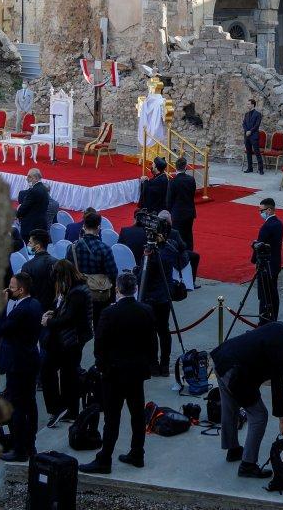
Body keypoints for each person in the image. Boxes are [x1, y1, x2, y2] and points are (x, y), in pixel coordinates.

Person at [210, 322, 283, 477]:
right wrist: (282, 419)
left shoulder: (280, 327)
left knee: (230, 406)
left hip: (222, 357)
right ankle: (248, 465)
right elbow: (277, 388)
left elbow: (256, 350)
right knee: (259, 416)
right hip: (235, 372)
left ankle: (233, 449)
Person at [78, 272, 156, 474]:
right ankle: (137, 453)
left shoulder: (109, 313)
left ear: (117, 290)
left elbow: (100, 344)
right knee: (137, 415)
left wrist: (102, 367)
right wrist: (148, 365)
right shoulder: (146, 310)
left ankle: (105, 458)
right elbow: (151, 342)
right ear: (135, 288)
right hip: (136, 372)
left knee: (112, 418)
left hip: (114, 373)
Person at [0, 273, 42, 462]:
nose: (8, 290)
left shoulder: (21, 310)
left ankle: (19, 448)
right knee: (30, 403)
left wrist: (1, 305)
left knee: (18, 407)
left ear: (21, 290)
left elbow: (1, 328)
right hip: (30, 359)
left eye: (12, 287)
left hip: (19, 363)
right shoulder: (35, 304)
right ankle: (30, 444)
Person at [41, 260, 93, 426]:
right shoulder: (79, 289)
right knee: (68, 374)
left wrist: (49, 322)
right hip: (72, 339)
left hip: (69, 339)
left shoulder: (76, 293)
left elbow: (69, 318)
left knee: (53, 371)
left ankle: (58, 408)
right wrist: (54, 313)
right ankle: (69, 410)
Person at [137, 215, 189, 377]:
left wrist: (146, 257)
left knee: (152, 331)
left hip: (151, 296)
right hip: (164, 295)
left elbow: (143, 275)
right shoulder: (170, 248)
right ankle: (164, 365)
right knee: (163, 330)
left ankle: (154, 364)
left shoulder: (152, 253)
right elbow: (181, 257)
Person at [66, 210, 118, 329]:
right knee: (100, 325)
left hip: (78, 291)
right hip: (99, 293)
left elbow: (68, 270)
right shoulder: (104, 248)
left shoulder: (72, 247)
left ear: (84, 226)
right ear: (98, 227)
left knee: (80, 325)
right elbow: (113, 273)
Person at [167, 157, 198, 281]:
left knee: (177, 238)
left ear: (176, 167)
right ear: (186, 167)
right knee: (188, 236)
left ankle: (179, 261)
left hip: (177, 214)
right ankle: (189, 259)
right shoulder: (191, 180)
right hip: (189, 213)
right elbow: (192, 194)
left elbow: (169, 200)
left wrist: (169, 212)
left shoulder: (173, 182)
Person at [252, 197, 283, 325]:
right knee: (273, 293)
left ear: (269, 210)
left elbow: (260, 246)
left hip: (266, 265)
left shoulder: (267, 226)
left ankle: (264, 322)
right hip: (275, 263)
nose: (260, 213)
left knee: (264, 295)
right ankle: (273, 318)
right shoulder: (279, 223)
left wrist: (254, 260)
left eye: (261, 210)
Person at [20, 229, 59, 312]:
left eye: (30, 242)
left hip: (34, 309)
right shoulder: (57, 263)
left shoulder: (27, 266)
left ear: (37, 247)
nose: (27, 244)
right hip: (53, 309)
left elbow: (24, 293)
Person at [15, 168, 50, 242]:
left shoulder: (33, 191)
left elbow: (24, 206)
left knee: (28, 246)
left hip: (30, 226)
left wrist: (16, 215)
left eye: (29, 177)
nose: (27, 179)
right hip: (40, 224)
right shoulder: (44, 189)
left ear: (36, 178)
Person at [242, 98, 263, 174]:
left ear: (253, 105)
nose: (247, 105)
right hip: (247, 136)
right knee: (248, 152)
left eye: (248, 104)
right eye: (247, 104)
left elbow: (257, 125)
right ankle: (250, 168)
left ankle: (261, 169)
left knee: (257, 152)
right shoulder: (246, 114)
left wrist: (250, 131)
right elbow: (244, 124)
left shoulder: (258, 114)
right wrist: (246, 131)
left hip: (254, 135)